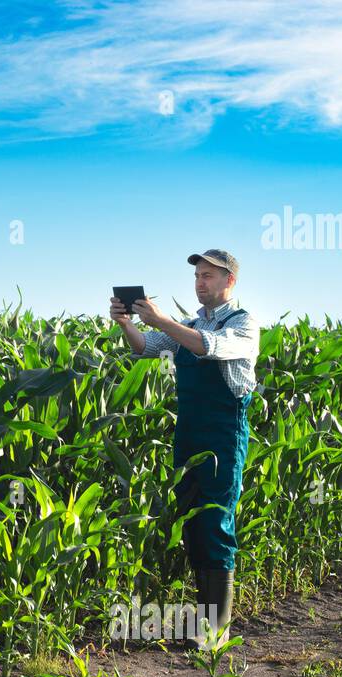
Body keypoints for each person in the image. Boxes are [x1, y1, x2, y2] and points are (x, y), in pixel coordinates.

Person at [109, 249, 260, 649]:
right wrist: (128, 324)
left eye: (208, 276)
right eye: (197, 276)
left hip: (223, 438)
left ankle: (217, 630)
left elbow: (208, 346)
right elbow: (146, 346)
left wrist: (162, 320)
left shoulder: (243, 324)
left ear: (230, 281)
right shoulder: (189, 325)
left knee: (215, 522)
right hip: (189, 437)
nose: (200, 283)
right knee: (192, 523)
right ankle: (204, 622)